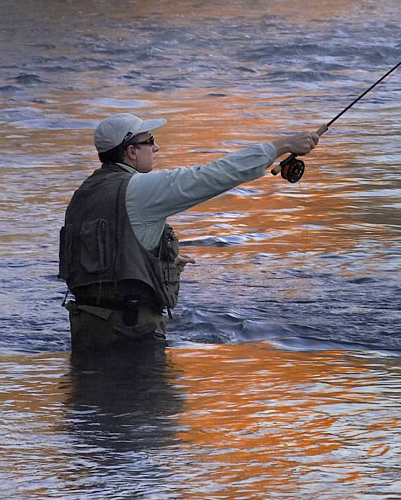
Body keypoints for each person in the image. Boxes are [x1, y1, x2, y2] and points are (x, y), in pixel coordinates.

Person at [58, 113, 319, 350]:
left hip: (87, 333)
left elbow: (101, 258)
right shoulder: (139, 189)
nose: (156, 147)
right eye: (150, 140)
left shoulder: (84, 193)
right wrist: (281, 146)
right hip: (132, 337)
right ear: (131, 152)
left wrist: (156, 263)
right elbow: (210, 176)